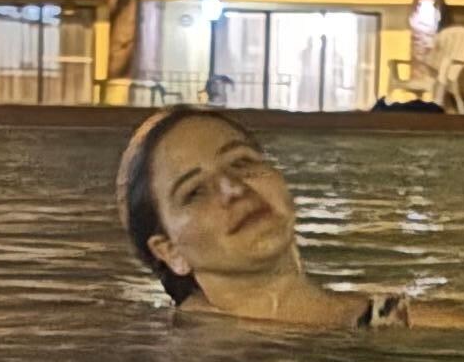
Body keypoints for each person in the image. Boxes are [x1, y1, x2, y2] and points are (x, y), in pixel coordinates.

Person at [116, 107, 415, 331]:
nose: (233, 188)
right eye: (194, 192)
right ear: (170, 251)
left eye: (241, 161)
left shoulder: (401, 322)